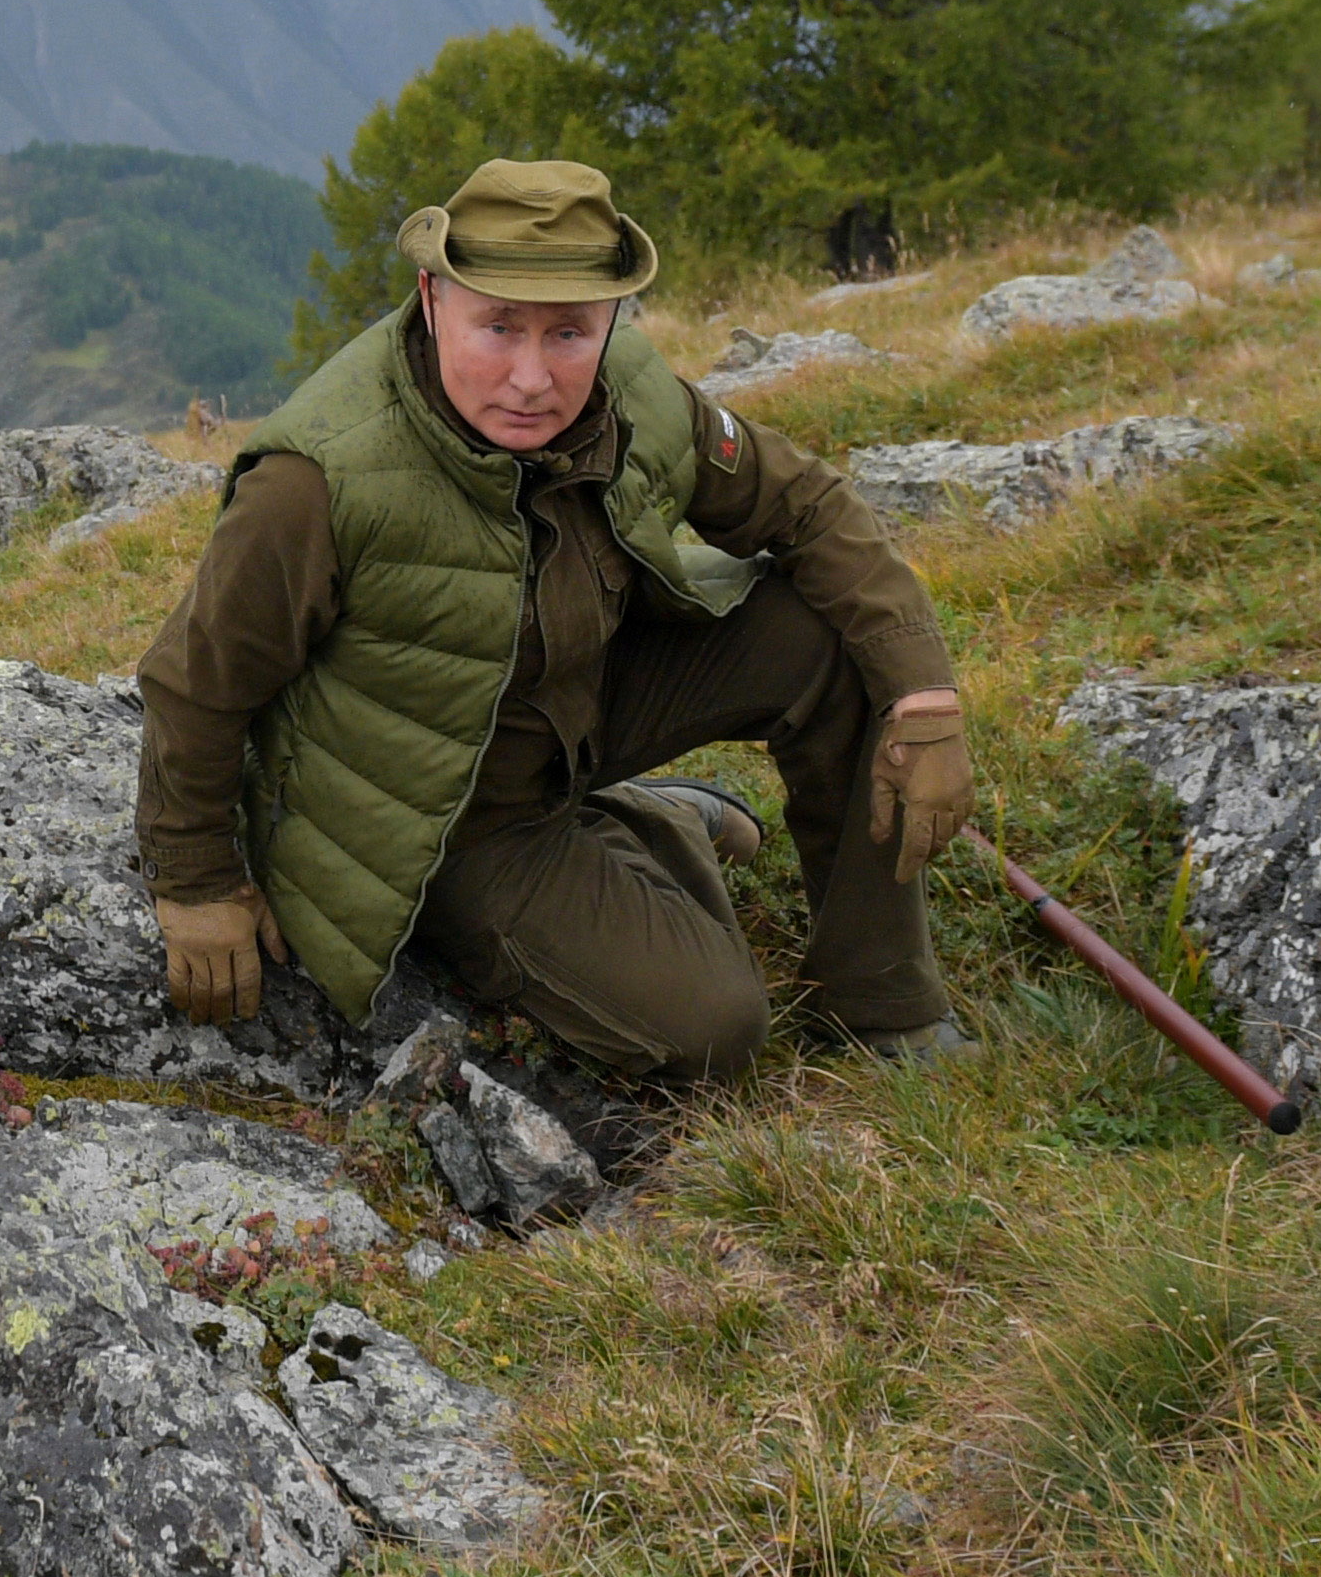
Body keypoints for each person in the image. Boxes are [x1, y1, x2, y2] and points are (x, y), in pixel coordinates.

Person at [137, 156, 975, 1080]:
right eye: (497, 326)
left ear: (613, 317)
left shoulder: (636, 392)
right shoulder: (317, 481)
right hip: (447, 811)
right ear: (431, 297)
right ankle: (653, 831)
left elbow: (807, 505)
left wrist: (924, 694)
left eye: (569, 332)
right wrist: (197, 880)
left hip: (576, 699)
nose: (532, 377)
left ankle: (882, 998)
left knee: (833, 637)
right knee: (712, 1026)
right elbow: (195, 682)